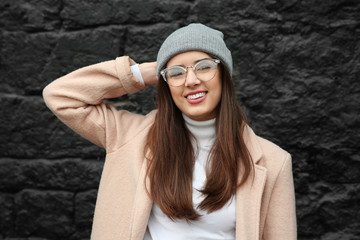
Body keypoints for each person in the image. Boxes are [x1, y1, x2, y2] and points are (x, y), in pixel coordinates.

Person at [43, 23, 297, 240]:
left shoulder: (273, 161)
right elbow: (61, 97)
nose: (191, 80)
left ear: (224, 75)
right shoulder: (129, 136)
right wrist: (148, 72)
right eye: (177, 73)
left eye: (204, 66)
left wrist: (175, 66)